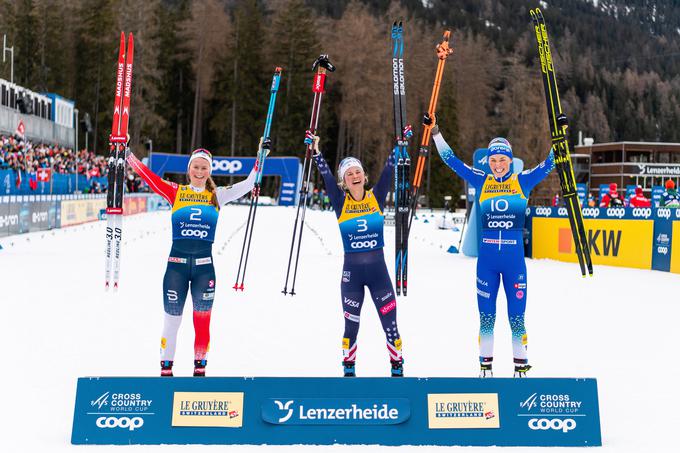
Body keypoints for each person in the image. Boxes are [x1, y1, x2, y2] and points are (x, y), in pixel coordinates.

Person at [425, 113, 554, 378]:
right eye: (493, 160)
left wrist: (561, 137)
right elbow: (451, 161)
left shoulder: (522, 181)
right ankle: (486, 367)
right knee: (487, 318)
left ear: (510, 161)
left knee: (517, 316)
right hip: (487, 265)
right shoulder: (481, 180)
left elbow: (549, 164)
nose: (497, 165)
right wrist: (436, 132)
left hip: (514, 264)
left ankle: (521, 367)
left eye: (502, 160)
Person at [126, 146, 261, 376]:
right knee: (172, 322)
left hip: (204, 271)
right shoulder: (175, 191)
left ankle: (200, 371)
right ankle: (166, 371)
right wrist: (127, 154)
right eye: (196, 167)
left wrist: (260, 155)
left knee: (202, 323)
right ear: (189, 169)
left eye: (204, 167)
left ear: (210, 171)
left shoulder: (218, 194)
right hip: (176, 269)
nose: (199, 171)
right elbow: (150, 178)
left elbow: (249, 183)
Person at [308, 131, 404, 378]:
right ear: (344, 182)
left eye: (357, 171)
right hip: (352, 276)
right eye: (349, 174)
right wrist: (316, 151)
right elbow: (326, 175)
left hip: (379, 274)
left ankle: (397, 367)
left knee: (390, 325)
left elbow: (389, 169)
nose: (354, 175)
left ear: (364, 176)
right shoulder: (341, 203)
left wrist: (400, 145)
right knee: (351, 326)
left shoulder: (377, 197)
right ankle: (348, 369)